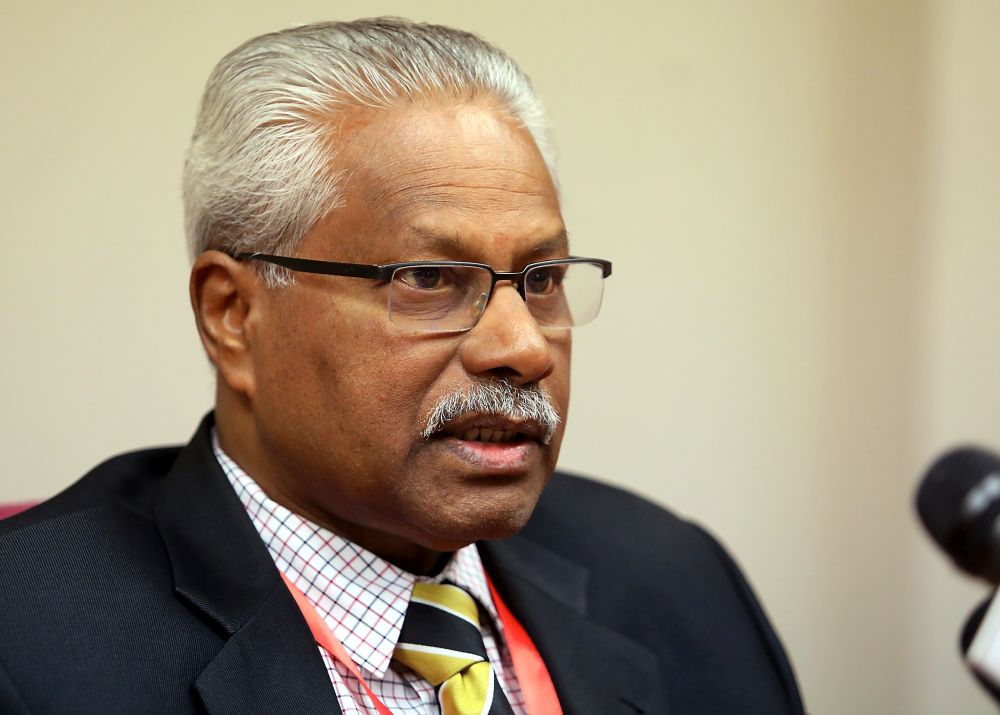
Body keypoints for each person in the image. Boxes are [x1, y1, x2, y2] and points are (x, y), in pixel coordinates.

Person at [0, 18, 805, 715]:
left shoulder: (675, 578)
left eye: (543, 280)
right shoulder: (31, 643)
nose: (521, 347)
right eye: (427, 278)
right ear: (232, 315)